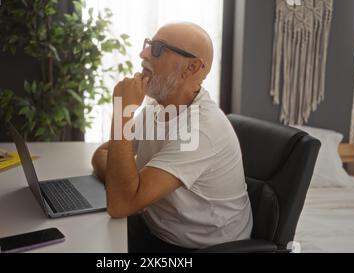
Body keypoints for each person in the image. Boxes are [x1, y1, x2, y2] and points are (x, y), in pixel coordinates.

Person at [91, 22, 252, 252]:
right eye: (148, 44)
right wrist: (128, 184)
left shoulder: (199, 131)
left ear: (192, 68)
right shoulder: (158, 108)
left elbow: (121, 204)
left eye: (158, 48)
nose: (143, 53)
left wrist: (122, 113)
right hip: (155, 229)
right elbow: (102, 155)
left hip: (198, 248)